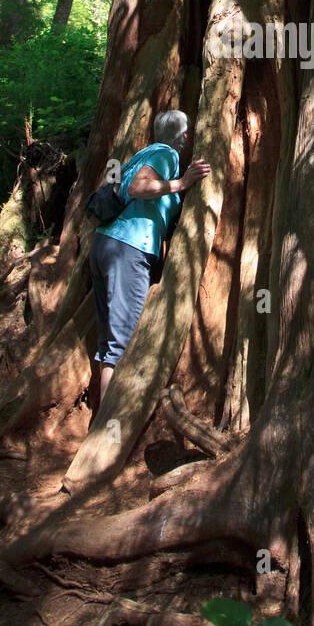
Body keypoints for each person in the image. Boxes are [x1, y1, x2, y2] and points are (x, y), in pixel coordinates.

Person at [87, 110, 210, 414]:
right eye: (187, 133)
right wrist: (181, 184)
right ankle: (111, 430)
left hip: (104, 245)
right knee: (123, 347)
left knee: (108, 346)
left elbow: (114, 183)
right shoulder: (166, 154)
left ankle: (102, 420)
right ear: (183, 136)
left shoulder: (139, 154)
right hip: (128, 250)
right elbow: (137, 187)